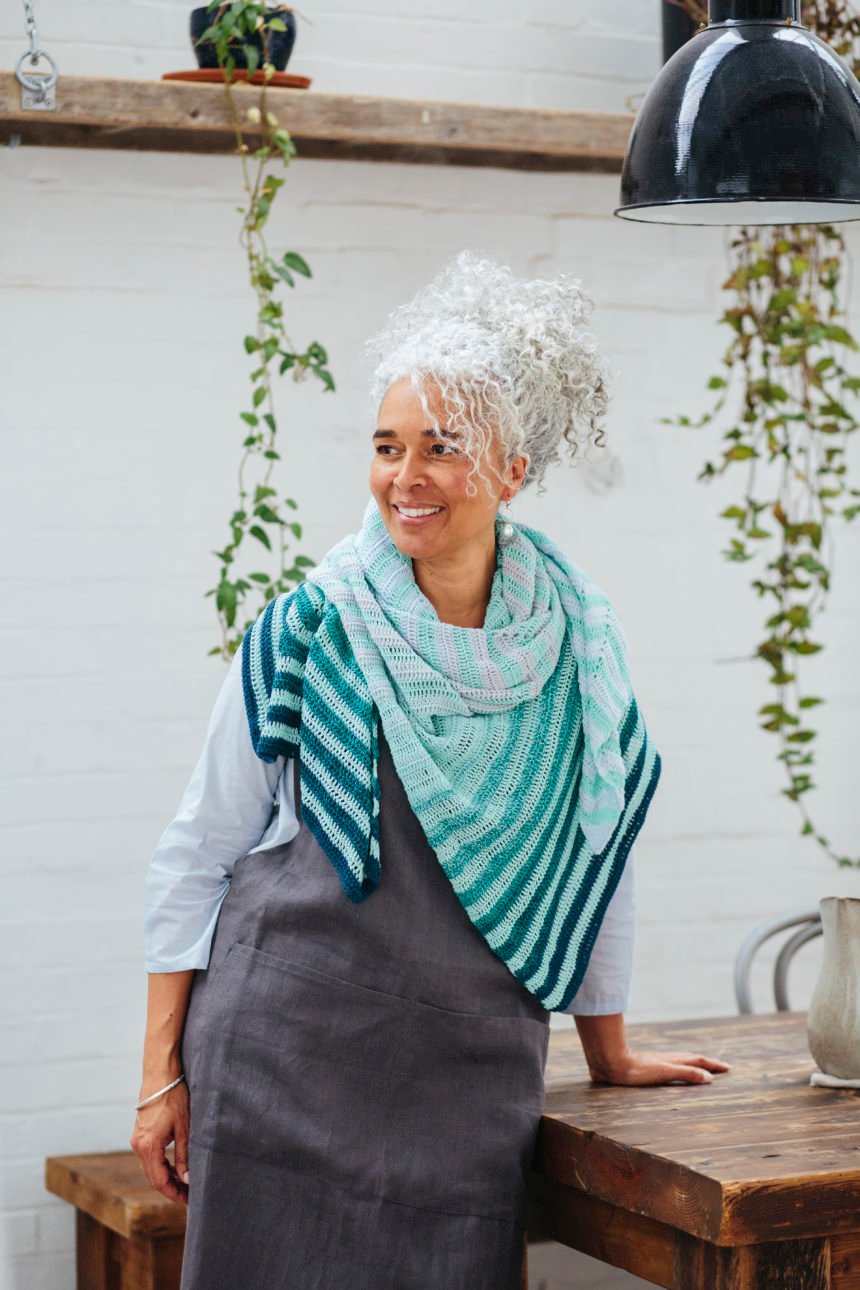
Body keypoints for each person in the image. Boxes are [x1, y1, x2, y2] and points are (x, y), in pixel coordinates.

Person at [131, 250, 730, 1290]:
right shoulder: (311, 628)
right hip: (284, 1061)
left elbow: (597, 848)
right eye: (385, 446)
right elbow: (200, 849)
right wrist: (157, 1080)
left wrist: (608, 1050)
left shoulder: (575, 648)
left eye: (440, 449)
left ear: (510, 471)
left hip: (464, 1084)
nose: (404, 478)